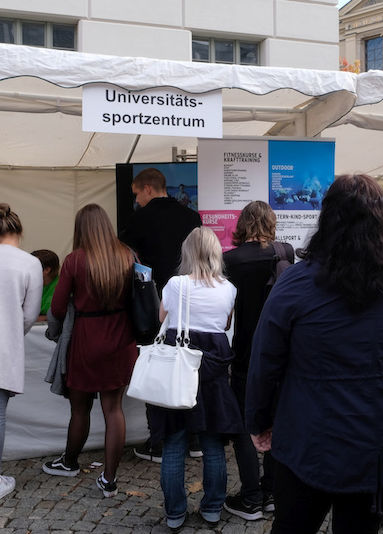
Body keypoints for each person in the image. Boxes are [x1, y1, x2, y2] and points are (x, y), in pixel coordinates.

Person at [245, 174, 383, 534]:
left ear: (326, 220)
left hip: (305, 441)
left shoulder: (295, 282)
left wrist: (258, 420)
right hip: (376, 446)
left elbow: (264, 361)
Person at [41, 204, 137, 498]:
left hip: (85, 341)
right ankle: (109, 479)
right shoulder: (128, 255)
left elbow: (56, 307)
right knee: (113, 409)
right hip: (122, 339)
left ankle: (69, 462)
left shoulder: (75, 260)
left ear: (81, 229)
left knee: (79, 407)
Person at [152, 227, 243, 531]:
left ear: (187, 253)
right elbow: (225, 322)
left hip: (180, 366)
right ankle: (213, 507)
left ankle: (176, 512)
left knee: (175, 442)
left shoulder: (176, 284)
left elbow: (162, 318)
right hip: (214, 368)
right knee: (213, 441)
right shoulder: (229, 288)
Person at [119, 167, 202, 462]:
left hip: (153, 303)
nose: (137, 201)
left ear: (149, 189)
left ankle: (158, 441)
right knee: (190, 367)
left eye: (137, 195)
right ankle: (194, 439)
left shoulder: (139, 219)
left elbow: (129, 258)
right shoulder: (192, 217)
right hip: (191, 301)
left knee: (157, 367)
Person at [222, 201, 294, 521]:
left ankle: (251, 495)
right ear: (271, 221)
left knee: (245, 424)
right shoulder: (285, 252)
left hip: (245, 349)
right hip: (280, 351)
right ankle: (273, 493)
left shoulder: (230, 260)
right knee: (276, 421)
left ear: (243, 223)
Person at [0, 204, 42, 504]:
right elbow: (29, 315)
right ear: (19, 232)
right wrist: (12, 332)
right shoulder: (30, 263)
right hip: (3, 347)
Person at [31, 249, 60, 321]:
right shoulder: (30, 284)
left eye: (32, 266)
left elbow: (61, 314)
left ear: (47, 270)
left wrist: (40, 318)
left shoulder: (61, 287)